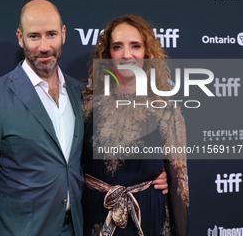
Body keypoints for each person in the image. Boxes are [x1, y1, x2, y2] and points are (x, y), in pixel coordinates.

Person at [0, 0, 169, 236]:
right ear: (20, 38)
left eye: (51, 34)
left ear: (63, 34)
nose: (44, 46)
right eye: (34, 36)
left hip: (78, 227)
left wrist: (153, 174)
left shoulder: (80, 94)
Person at [81, 15, 189, 236]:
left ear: (147, 53)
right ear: (108, 54)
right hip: (96, 217)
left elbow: (180, 187)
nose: (127, 55)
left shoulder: (167, 110)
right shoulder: (86, 105)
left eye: (135, 46)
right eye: (117, 47)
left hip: (149, 220)